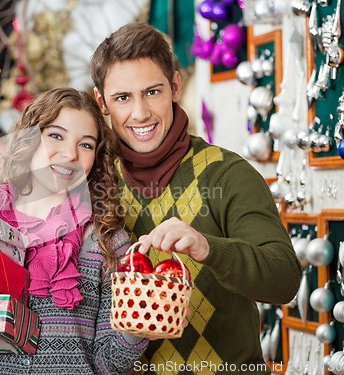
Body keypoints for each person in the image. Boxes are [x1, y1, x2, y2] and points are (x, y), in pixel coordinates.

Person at [90, 22, 302, 374]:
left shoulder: (228, 173)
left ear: (174, 87)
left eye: (152, 92)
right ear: (103, 104)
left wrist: (208, 248)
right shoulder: (97, 183)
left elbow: (285, 279)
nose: (140, 113)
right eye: (123, 98)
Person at [0, 87, 149, 374]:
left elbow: (108, 364)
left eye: (86, 145)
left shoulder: (108, 243)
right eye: (56, 135)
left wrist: (138, 326)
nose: (70, 154)